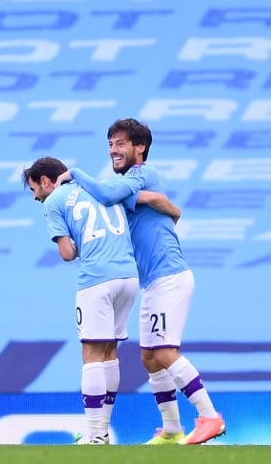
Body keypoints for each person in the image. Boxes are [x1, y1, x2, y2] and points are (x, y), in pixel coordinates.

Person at [58, 118, 226, 445]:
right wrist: (164, 206)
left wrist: (74, 173)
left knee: (164, 351)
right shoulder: (130, 187)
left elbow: (108, 193)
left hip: (170, 276)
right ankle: (172, 430)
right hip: (151, 281)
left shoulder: (141, 175)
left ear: (140, 148)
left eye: (120, 144)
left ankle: (210, 416)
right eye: (110, 144)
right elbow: (144, 203)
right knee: (148, 356)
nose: (113, 150)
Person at [22, 156, 145, 445]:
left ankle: (94, 434)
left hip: (96, 279)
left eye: (34, 190)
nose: (36, 197)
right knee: (110, 351)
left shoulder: (54, 202)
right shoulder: (100, 187)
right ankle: (101, 428)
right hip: (128, 276)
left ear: (45, 181)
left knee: (91, 353)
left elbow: (67, 253)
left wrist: (77, 242)